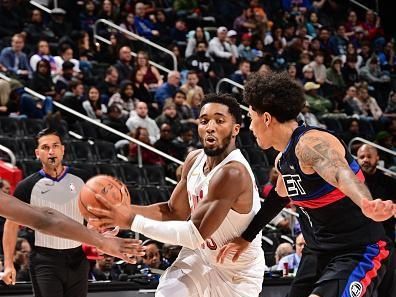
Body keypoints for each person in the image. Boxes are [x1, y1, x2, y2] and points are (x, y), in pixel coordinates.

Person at [217, 72, 395, 297]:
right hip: (316, 254)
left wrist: (365, 201)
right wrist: (246, 237)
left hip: (357, 250)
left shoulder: (310, 144)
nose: (249, 127)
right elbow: (278, 198)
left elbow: (340, 173)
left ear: (267, 118)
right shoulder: (283, 160)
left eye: (251, 117)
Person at [89, 94, 265, 297]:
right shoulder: (194, 159)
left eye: (219, 120)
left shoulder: (233, 172)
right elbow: (173, 211)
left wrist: (130, 219)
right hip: (200, 257)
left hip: (237, 273)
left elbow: (193, 235)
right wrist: (117, 212)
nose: (210, 126)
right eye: (204, 120)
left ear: (235, 129)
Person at [1, 128, 143, 295]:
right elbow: (11, 226)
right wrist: (9, 264)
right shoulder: (26, 186)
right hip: (45, 260)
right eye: (45, 148)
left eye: (55, 146)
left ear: (63, 149)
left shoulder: (84, 179)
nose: (51, 151)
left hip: (77, 257)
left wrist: (101, 230)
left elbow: (92, 216)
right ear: (37, 153)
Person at [357, 144, 396, 244]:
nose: (365, 160)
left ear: (377, 158)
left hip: (385, 236)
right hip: (358, 236)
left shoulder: (390, 182)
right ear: (357, 159)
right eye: (362, 157)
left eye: (369, 156)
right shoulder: (352, 184)